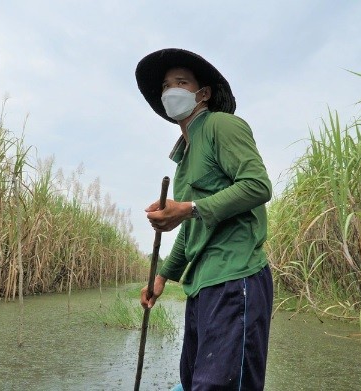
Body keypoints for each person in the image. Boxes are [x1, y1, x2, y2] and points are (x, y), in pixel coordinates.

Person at [135, 48, 274, 391]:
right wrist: (163, 278)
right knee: (194, 381)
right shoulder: (184, 158)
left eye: (181, 82)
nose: (171, 91)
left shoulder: (221, 126)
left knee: (219, 385)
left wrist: (189, 208)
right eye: (166, 86)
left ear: (204, 93)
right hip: (201, 287)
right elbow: (195, 225)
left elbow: (257, 185)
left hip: (235, 277)